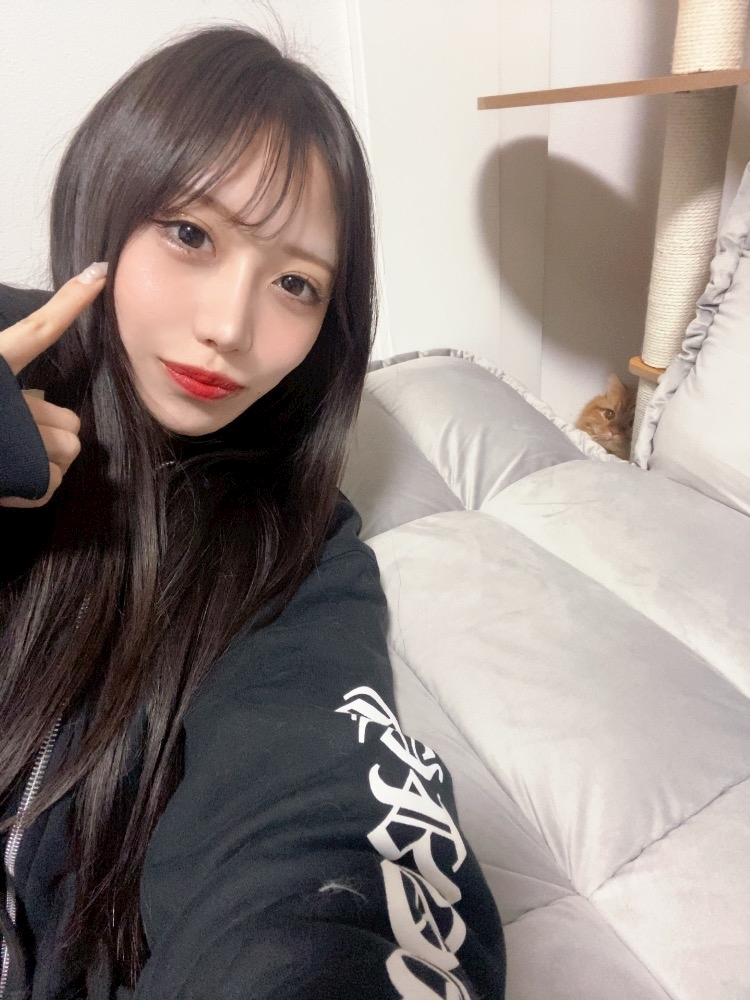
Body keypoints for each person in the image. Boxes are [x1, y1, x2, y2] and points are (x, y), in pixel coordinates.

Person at [0, 25, 506, 999]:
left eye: (295, 284)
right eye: (191, 235)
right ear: (109, 202)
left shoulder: (298, 552)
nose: (230, 326)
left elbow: (322, 828)